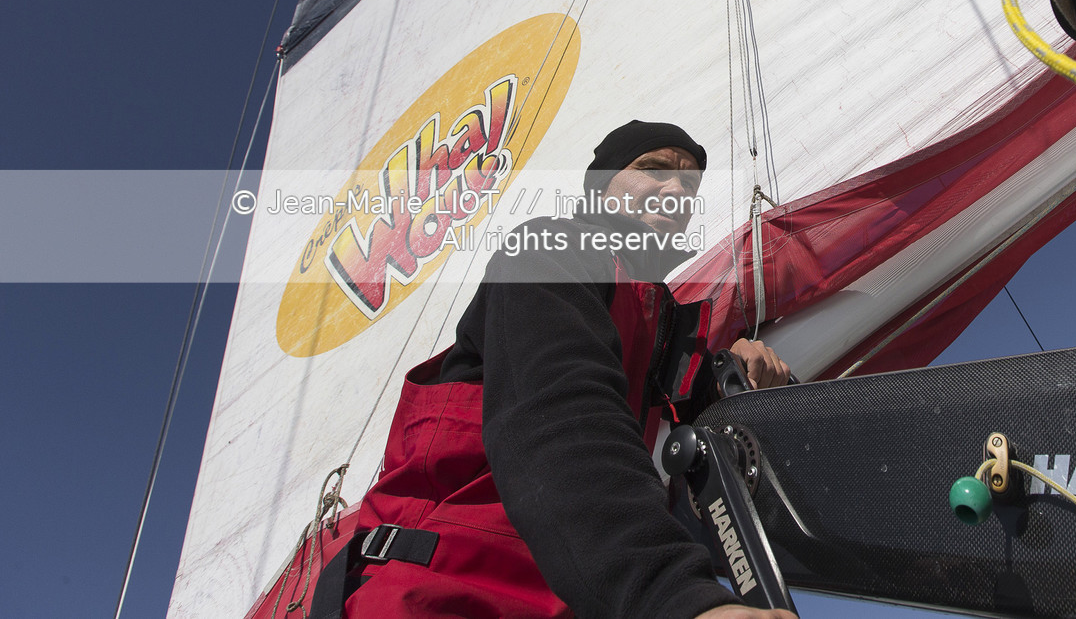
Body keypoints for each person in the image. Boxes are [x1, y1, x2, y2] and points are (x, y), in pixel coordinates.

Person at [317, 120, 798, 619]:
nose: (675, 189)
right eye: (653, 170)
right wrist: (678, 601)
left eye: (689, 184)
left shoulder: (667, 330)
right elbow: (562, 420)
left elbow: (707, 448)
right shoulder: (546, 251)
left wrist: (741, 383)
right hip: (435, 595)